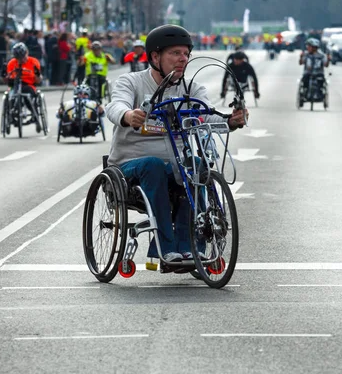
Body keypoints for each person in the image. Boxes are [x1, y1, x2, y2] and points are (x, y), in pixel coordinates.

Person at [105, 24, 248, 266]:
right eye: (175, 53)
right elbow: (114, 106)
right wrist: (129, 115)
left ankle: (190, 247)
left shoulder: (192, 88)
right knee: (153, 165)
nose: (183, 59)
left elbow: (206, 115)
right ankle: (165, 248)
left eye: (186, 54)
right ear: (155, 56)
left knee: (195, 165)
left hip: (175, 166)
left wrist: (230, 121)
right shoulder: (131, 82)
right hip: (130, 166)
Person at [4, 42, 43, 132]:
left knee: (28, 97)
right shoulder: (11, 63)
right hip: (15, 84)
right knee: (11, 98)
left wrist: (37, 75)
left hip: (29, 85)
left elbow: (38, 79)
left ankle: (35, 115)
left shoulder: (33, 62)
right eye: (19, 58)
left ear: (27, 53)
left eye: (23, 57)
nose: (22, 60)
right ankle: (11, 115)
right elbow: (8, 79)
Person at [83, 41, 116, 105]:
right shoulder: (88, 55)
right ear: (92, 49)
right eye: (94, 49)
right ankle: (90, 96)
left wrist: (109, 59)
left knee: (102, 84)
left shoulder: (105, 56)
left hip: (101, 76)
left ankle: (100, 97)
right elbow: (82, 62)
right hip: (90, 75)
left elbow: (113, 62)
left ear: (100, 49)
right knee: (87, 84)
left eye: (98, 49)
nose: (96, 51)